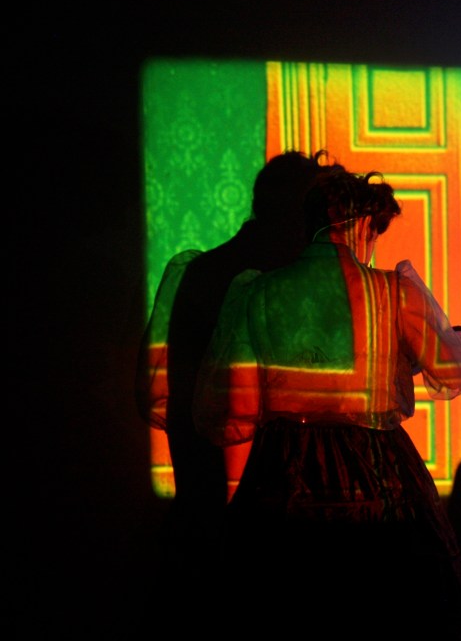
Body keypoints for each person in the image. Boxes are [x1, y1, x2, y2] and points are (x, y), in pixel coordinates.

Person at [193, 159, 461, 637]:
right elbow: (451, 369)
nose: (372, 244)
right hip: (373, 468)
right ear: (358, 225)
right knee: (384, 603)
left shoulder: (257, 292)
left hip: (282, 470)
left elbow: (237, 407)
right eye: (373, 232)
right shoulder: (392, 292)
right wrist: (459, 340)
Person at [135, 150, 325, 629]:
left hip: (215, 482)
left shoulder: (213, 270)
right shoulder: (259, 281)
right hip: (234, 489)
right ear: (294, 215)